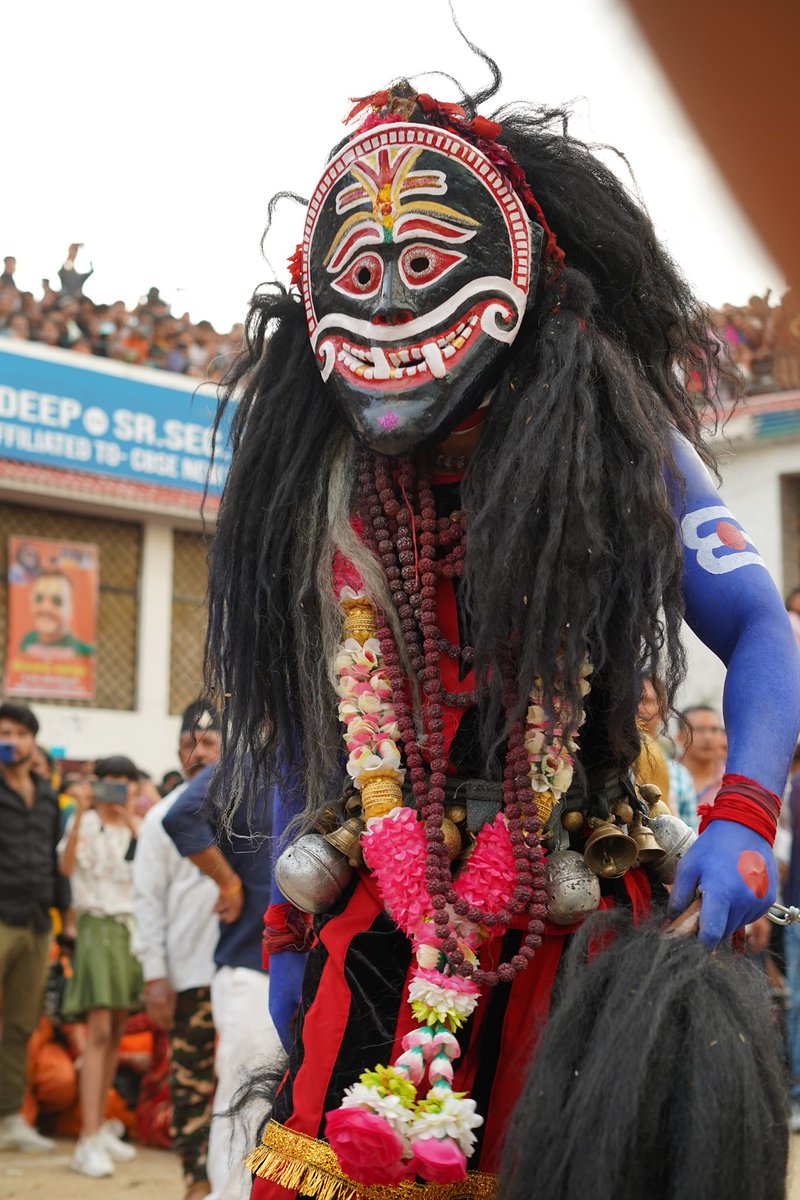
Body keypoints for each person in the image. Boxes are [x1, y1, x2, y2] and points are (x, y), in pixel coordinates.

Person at [203, 73, 800, 1197]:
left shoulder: (618, 446)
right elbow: (301, 714)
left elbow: (761, 629)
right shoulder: (322, 479)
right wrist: (288, 922)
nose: (386, 307)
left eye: (421, 267)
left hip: (572, 905)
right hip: (378, 905)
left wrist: (744, 820)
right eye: (362, 275)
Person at [163, 765, 284, 1200]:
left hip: (308, 967)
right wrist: (227, 882)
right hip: (250, 966)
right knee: (243, 1095)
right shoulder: (247, 762)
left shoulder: (330, 759)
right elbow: (180, 816)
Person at [132, 701, 222, 1200]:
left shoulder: (245, 808)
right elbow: (146, 903)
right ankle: (195, 1179)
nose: (198, 752)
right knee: (190, 1084)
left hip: (246, 970)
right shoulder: (161, 819)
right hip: (189, 973)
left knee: (240, 1077)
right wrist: (155, 976)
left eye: (209, 743)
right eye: (189, 742)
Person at [57, 754, 143, 1178]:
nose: (117, 787)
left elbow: (148, 870)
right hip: (95, 927)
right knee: (99, 1032)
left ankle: (98, 1128)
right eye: (110, 780)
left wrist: (129, 817)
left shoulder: (136, 826)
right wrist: (79, 813)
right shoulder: (85, 823)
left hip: (130, 932)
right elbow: (66, 867)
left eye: (125, 780)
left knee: (116, 1032)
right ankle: (86, 1137)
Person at [0, 701, 70, 1154]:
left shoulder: (46, 794)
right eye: (4, 733)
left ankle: (9, 1118)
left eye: (19, 734)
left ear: (32, 740)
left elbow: (54, 861)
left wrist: (64, 922)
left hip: (37, 921)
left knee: (21, 1023)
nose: (11, 742)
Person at [20, 571, 92, 657]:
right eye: (38, 598)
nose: (45, 608)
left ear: (70, 608)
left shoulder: (83, 652)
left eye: (57, 601)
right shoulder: (27, 642)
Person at [676, 705, 726, 815]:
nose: (707, 737)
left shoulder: (731, 782)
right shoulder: (668, 776)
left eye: (714, 730)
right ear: (680, 737)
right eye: (699, 729)